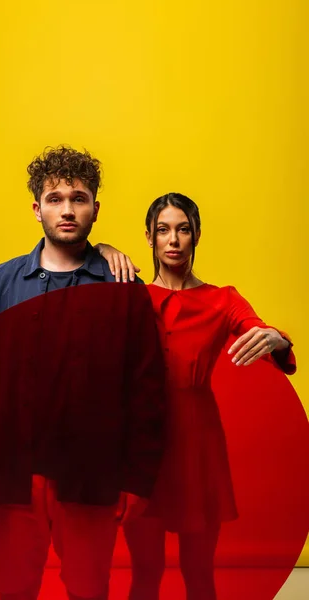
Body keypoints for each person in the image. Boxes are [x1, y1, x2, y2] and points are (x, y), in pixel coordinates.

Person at [0, 146, 166, 600]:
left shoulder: (123, 289)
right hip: (13, 475)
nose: (67, 209)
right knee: (13, 589)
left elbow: (148, 392)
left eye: (79, 197)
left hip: (91, 474)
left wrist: (138, 480)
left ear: (95, 208)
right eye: (55, 199)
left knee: (89, 590)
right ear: (37, 209)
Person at [98, 192, 296, 600]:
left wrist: (277, 337)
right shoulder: (130, 294)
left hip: (197, 445)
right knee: (146, 571)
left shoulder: (223, 299)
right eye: (163, 230)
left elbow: (259, 330)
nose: (173, 240)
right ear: (149, 238)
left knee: (199, 572)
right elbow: (74, 267)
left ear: (197, 236)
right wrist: (100, 248)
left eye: (183, 229)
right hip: (142, 446)